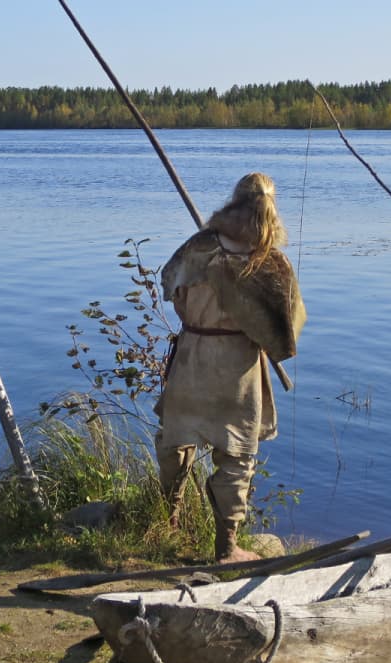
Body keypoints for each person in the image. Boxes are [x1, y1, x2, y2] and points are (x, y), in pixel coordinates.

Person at [154, 172, 306, 563]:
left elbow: (170, 286)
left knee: (177, 440)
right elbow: (286, 328)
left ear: (234, 202)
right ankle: (226, 548)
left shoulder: (199, 247)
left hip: (191, 356)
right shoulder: (271, 263)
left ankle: (168, 522)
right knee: (236, 456)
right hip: (237, 367)